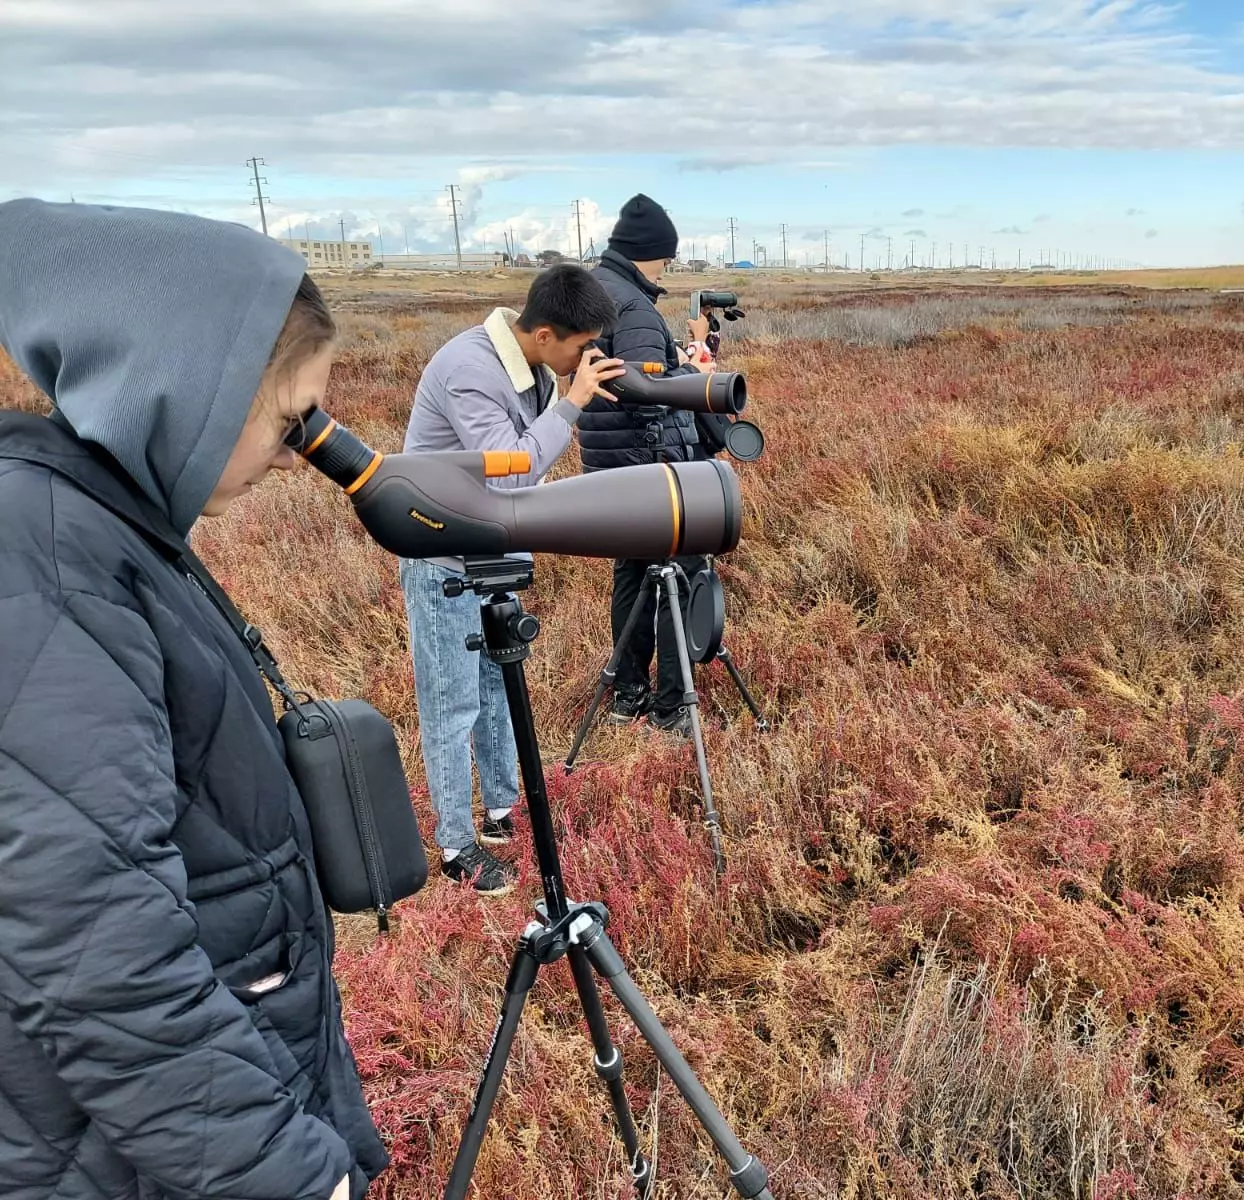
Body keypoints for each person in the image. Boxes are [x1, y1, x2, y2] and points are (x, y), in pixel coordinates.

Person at [0, 199, 385, 1198]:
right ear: (189, 391)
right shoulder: (46, 561)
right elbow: (94, 945)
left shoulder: (98, 526)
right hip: (127, 1151)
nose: (298, 451)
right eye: (287, 417)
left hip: (179, 1113)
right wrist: (291, 1177)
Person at [400, 265, 623, 893]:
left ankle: (500, 810)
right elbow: (508, 474)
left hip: (489, 548)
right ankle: (454, 845)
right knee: (452, 704)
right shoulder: (469, 369)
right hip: (442, 558)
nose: (587, 360)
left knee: (498, 688)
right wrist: (573, 403)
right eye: (581, 348)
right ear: (546, 333)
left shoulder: (528, 364)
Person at [578, 194, 716, 736]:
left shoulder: (596, 292)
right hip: (649, 465)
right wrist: (697, 379)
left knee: (633, 573)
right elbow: (639, 387)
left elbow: (630, 371)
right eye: (666, 257)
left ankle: (627, 693)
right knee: (678, 574)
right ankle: (670, 705)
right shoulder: (633, 306)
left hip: (611, 463)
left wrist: (678, 361)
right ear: (648, 253)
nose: (667, 267)